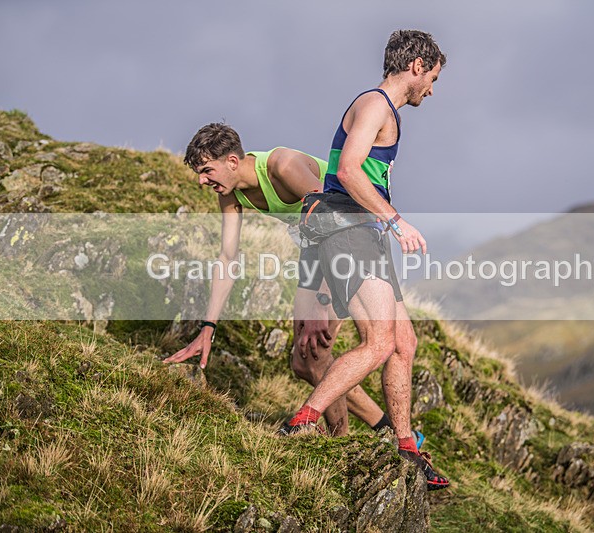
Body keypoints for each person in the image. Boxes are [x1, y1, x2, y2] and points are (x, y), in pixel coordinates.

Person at [163, 123, 420, 440]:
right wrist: (208, 328)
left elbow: (334, 222)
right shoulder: (231, 194)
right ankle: (367, 433)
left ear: (231, 161)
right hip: (319, 251)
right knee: (304, 362)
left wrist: (321, 304)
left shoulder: (283, 166)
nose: (202, 181)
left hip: (355, 236)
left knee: (329, 350)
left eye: (206, 170)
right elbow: (228, 259)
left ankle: (362, 436)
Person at [279, 30, 449, 490]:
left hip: (361, 231)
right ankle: (302, 422)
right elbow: (349, 170)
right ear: (416, 65)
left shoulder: (385, 110)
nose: (431, 89)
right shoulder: (375, 104)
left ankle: (406, 447)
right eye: (432, 77)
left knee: (404, 342)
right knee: (378, 340)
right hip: (346, 226)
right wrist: (396, 220)